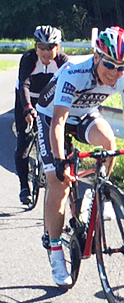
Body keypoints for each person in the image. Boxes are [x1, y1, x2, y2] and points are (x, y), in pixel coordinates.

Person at [36, 26, 124, 286]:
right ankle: (55, 252)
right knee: (60, 182)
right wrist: (59, 160)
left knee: (109, 142)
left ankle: (97, 191)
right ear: (97, 56)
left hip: (85, 113)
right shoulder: (73, 72)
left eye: (121, 67)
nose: (114, 73)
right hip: (52, 117)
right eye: (109, 65)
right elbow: (58, 122)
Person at [14, 25, 69, 205]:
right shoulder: (29, 59)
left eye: (50, 47)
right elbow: (24, 85)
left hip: (51, 101)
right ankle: (24, 186)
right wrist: (28, 108)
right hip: (27, 98)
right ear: (36, 47)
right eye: (42, 47)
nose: (46, 52)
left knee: (61, 137)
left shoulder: (63, 61)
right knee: (25, 140)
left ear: (58, 48)